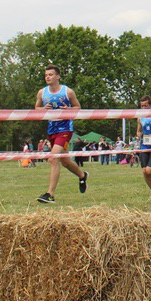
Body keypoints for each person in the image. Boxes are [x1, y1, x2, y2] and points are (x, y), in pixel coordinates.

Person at [34, 64, 89, 204]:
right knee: (64, 161)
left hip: (65, 129)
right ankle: (82, 175)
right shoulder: (42, 93)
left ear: (57, 77)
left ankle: (50, 194)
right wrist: (42, 109)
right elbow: (36, 108)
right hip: (51, 129)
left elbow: (78, 107)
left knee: (53, 158)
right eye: (46, 75)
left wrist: (69, 109)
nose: (48, 77)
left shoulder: (67, 92)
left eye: (50, 75)